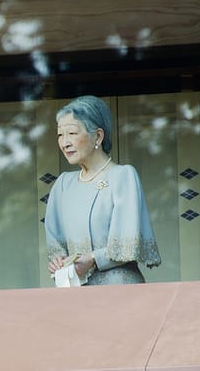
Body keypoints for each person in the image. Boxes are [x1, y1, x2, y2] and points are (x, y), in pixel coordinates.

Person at [45, 95, 161, 285]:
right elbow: (55, 241)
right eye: (60, 135)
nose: (65, 142)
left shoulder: (123, 176)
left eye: (72, 133)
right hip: (76, 291)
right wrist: (58, 260)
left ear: (98, 136)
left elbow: (126, 244)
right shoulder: (63, 184)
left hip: (120, 290)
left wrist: (92, 259)